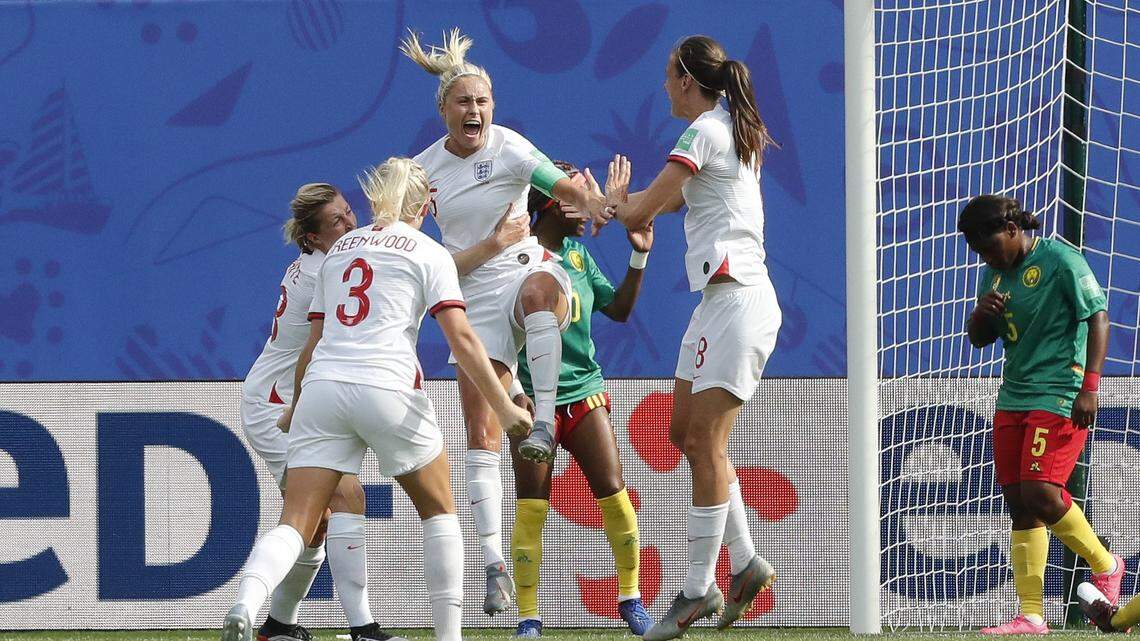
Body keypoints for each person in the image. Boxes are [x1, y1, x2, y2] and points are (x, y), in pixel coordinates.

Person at [221, 157, 533, 641]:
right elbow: (464, 340)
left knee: (301, 519)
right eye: (336, 217)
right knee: (439, 510)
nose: (346, 220)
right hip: (383, 387)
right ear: (427, 204)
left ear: (370, 202)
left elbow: (314, 343)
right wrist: (507, 403)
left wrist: (297, 404)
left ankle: (252, 604)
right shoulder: (426, 251)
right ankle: (442, 637)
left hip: (319, 388)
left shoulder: (341, 249)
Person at [402, 28, 613, 614]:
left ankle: (543, 420)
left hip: (526, 273)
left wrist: (599, 205)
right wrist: (493, 243)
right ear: (443, 110)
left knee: (547, 287)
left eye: (482, 102)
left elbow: (565, 186)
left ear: (492, 107)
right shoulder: (422, 173)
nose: (475, 110)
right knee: (482, 432)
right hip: (470, 291)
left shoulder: (513, 147)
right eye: (464, 102)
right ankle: (494, 563)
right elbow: (416, 254)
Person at [591, 35, 780, 641]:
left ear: (688, 81)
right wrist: (633, 210)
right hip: (716, 303)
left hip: (740, 301)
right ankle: (746, 559)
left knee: (703, 440)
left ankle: (696, 590)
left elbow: (643, 209)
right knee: (685, 436)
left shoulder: (704, 131)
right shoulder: (727, 128)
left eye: (668, 75)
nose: (663, 86)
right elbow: (670, 205)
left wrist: (614, 205)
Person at [956, 194, 1124, 634]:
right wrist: (981, 315)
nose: (987, 257)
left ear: (1012, 230)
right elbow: (978, 340)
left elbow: (1099, 317)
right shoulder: (994, 275)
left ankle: (1105, 564)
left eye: (990, 246)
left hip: (1059, 394)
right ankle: (1031, 615)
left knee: (1040, 491)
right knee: (1018, 504)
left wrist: (1090, 388)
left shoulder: (1060, 260)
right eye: (979, 252)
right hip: (1013, 395)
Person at [507, 161, 653, 637]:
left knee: (614, 492)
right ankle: (529, 616)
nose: (586, 201)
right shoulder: (516, 257)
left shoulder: (578, 257)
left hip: (584, 395)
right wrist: (510, 394)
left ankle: (630, 598)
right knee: (531, 506)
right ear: (553, 203)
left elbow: (620, 309)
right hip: (530, 405)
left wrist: (638, 258)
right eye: (576, 193)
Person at [241, 183, 386, 641]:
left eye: (348, 213)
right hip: (280, 405)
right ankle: (363, 629)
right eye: (336, 222)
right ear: (312, 238)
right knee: (346, 498)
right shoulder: (328, 271)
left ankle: (278, 626)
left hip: (288, 399)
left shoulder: (327, 263)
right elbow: (318, 344)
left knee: (318, 520)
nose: (349, 224)